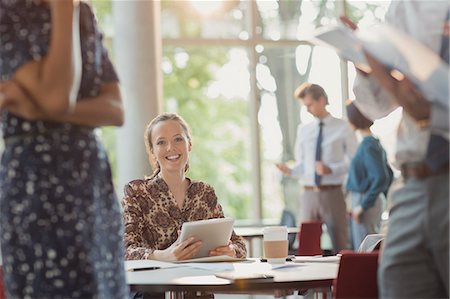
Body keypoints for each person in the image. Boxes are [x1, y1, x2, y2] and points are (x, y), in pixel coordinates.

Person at [0, 1, 128, 298]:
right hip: (35, 182)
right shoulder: (8, 13)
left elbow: (115, 110)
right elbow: (59, 96)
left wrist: (35, 108)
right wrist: (62, 9)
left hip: (91, 183)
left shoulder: (82, 12)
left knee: (101, 287)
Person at [342, 1, 449, 297]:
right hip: (413, 184)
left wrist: (435, 115)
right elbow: (376, 106)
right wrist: (364, 64)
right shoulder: (405, 7)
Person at [122, 113, 247, 261]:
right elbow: (124, 250)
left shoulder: (204, 193)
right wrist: (163, 256)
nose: (170, 147)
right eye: (161, 142)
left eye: (178, 139)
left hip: (201, 280)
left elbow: (239, 244)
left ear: (190, 144)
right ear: (153, 152)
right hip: (158, 282)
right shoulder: (137, 192)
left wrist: (231, 251)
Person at [276, 83, 358, 253]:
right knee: (306, 246)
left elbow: (354, 162)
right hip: (308, 194)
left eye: (309, 105)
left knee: (339, 244)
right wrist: (290, 170)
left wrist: (332, 169)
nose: (307, 110)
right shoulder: (304, 130)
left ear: (321, 100)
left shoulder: (343, 127)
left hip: (333, 193)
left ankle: (338, 279)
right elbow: (303, 165)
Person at [345, 100, 393, 250]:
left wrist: (362, 206)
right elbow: (388, 175)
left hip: (365, 201)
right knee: (366, 248)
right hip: (365, 200)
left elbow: (382, 177)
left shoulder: (368, 145)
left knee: (365, 249)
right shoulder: (372, 143)